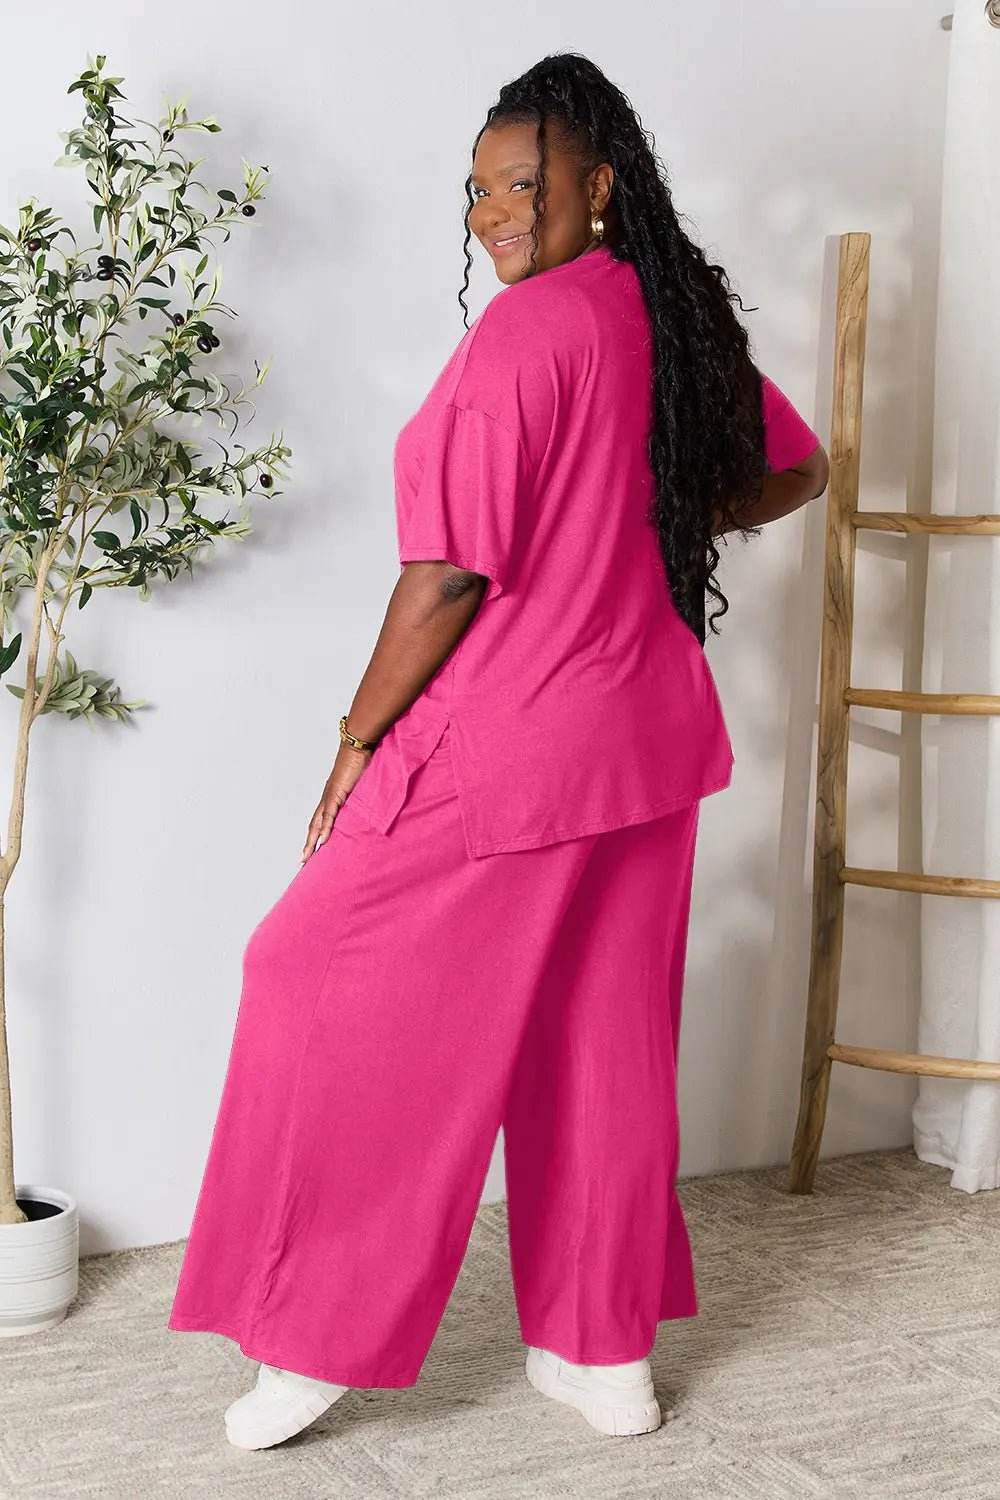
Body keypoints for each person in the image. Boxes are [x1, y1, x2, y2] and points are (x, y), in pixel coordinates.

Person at [167, 51, 829, 1451]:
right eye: (477, 191)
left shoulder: (525, 336)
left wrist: (356, 741)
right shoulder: (674, 319)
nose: (496, 213)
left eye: (525, 183)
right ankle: (603, 1354)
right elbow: (796, 467)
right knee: (601, 1040)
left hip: (509, 751)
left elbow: (448, 576)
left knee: (311, 977)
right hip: (645, 745)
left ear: (600, 184)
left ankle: (312, 1335)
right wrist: (660, 518)